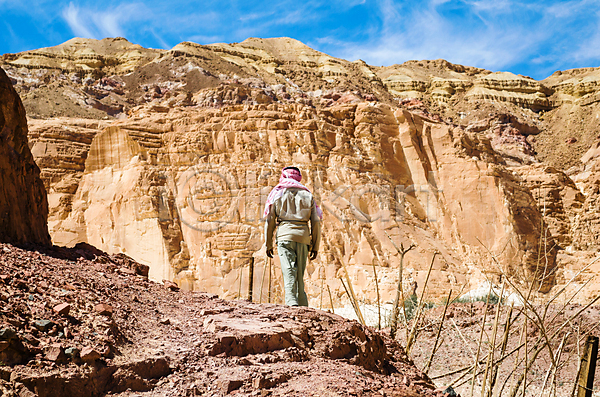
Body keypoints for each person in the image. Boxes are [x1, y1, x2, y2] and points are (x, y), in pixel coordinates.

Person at [264, 166, 322, 306]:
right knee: (300, 273)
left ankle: (291, 302)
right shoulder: (308, 195)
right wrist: (315, 245)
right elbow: (315, 222)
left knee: (288, 269)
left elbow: (270, 220)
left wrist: (268, 244)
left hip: (284, 236)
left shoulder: (277, 193)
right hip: (303, 237)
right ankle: (302, 303)